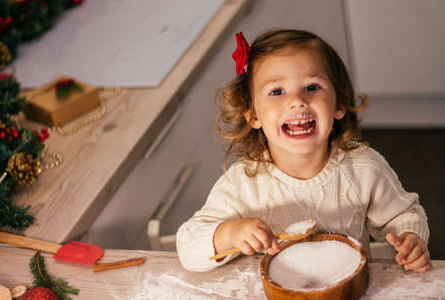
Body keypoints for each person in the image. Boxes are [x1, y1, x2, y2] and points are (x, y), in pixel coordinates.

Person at [176, 29, 430, 273]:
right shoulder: (243, 183)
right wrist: (230, 234)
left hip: (349, 290)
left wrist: (411, 238)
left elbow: (404, 214)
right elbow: (188, 248)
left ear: (339, 104)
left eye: (311, 87)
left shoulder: (364, 169)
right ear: (254, 114)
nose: (296, 101)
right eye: (277, 91)